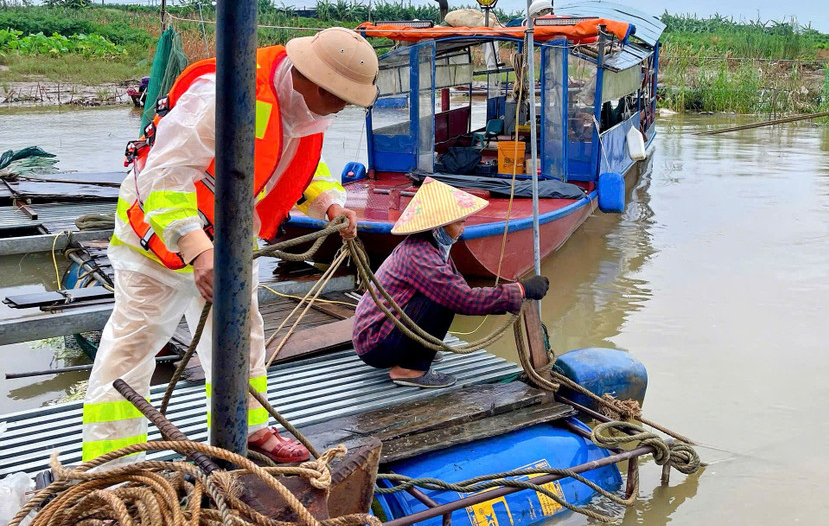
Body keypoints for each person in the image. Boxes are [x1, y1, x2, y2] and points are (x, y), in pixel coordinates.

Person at [82, 27, 379, 465]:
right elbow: (165, 175)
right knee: (131, 349)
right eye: (338, 97)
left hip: (229, 245)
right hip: (157, 242)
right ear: (311, 79)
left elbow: (300, 167)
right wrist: (198, 250)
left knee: (244, 338)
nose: (340, 108)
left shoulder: (305, 112)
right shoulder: (222, 93)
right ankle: (112, 462)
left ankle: (251, 429)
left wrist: (331, 205)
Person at [352, 178, 550, 388]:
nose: (463, 229)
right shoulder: (420, 256)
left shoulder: (430, 246)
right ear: (439, 226)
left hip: (379, 332)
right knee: (445, 301)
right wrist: (520, 290)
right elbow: (464, 299)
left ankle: (415, 352)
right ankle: (409, 369)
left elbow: (458, 286)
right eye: (459, 223)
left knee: (446, 293)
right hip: (375, 343)